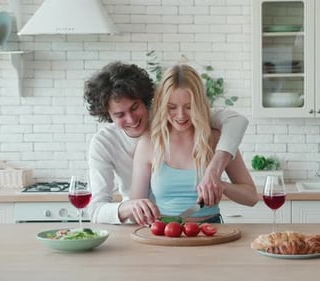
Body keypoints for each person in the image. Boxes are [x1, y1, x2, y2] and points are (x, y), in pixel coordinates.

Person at [83, 61, 249, 224]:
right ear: (108, 115)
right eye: (120, 115)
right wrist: (131, 207)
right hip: (149, 226)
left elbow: (237, 121)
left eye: (134, 108)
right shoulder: (114, 143)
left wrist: (217, 178)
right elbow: (97, 209)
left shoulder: (201, 128)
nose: (131, 119)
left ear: (147, 101)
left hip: (207, 227)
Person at [130, 64, 258, 225]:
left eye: (189, 107)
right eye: (171, 107)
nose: (181, 115)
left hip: (211, 231)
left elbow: (252, 197)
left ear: (200, 105)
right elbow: (136, 207)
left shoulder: (216, 139)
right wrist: (142, 211)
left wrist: (221, 186)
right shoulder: (148, 143)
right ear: (162, 105)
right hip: (165, 232)